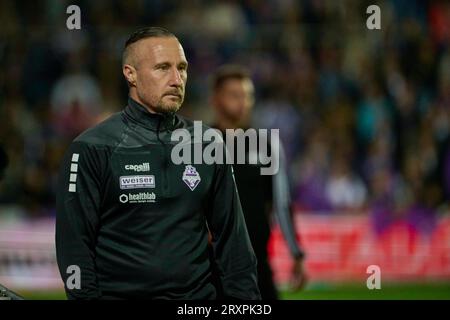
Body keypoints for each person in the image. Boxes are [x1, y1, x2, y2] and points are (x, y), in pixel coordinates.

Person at [55, 27, 260, 300]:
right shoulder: (91, 148)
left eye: (182, 68)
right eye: (163, 68)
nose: (177, 79)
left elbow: (234, 245)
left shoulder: (208, 144)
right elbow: (74, 247)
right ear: (131, 74)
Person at [209, 65, 307, 299]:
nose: (244, 102)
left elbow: (281, 203)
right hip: (210, 267)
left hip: (256, 261)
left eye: (248, 95)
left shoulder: (267, 146)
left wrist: (296, 253)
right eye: (235, 95)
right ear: (216, 100)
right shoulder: (197, 145)